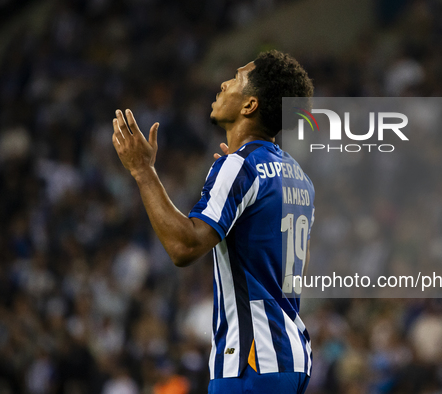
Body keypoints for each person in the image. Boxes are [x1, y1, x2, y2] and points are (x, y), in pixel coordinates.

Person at [111, 50, 315, 394]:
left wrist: (142, 171)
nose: (223, 84)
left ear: (249, 105)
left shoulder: (240, 166)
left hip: (250, 363)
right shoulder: (298, 177)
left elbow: (184, 246)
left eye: (236, 79)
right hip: (291, 356)